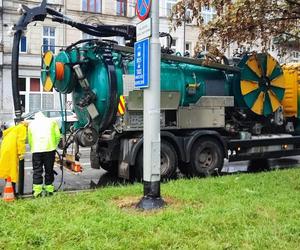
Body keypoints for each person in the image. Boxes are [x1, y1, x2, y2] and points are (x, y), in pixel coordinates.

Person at [28, 112, 61, 197]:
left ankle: (37, 191)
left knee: (37, 170)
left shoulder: (31, 124)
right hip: (50, 149)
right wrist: (55, 145)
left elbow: (30, 139)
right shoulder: (52, 122)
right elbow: (58, 135)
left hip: (36, 150)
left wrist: (33, 148)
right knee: (49, 170)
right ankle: (49, 190)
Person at [0, 122, 28, 191]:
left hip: (5, 150)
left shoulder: (13, 129)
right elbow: (20, 141)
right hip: (11, 151)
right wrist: (21, 153)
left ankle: (9, 189)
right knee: (12, 172)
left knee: (7, 170)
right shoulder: (22, 128)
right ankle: (11, 192)